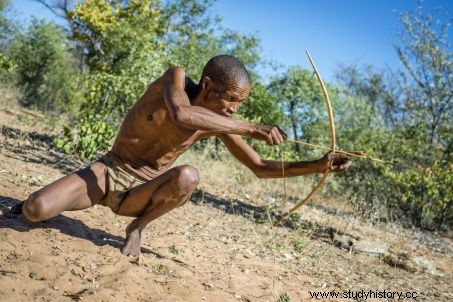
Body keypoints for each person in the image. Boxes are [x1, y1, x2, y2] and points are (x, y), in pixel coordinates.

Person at [11, 55, 352, 256]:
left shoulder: (221, 123)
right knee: (35, 209)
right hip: (107, 172)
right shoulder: (174, 79)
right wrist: (250, 127)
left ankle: (139, 227)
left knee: (188, 175)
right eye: (230, 99)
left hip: (140, 194)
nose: (233, 110)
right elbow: (181, 115)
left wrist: (318, 165)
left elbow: (260, 167)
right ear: (207, 84)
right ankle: (27, 202)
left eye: (240, 105)